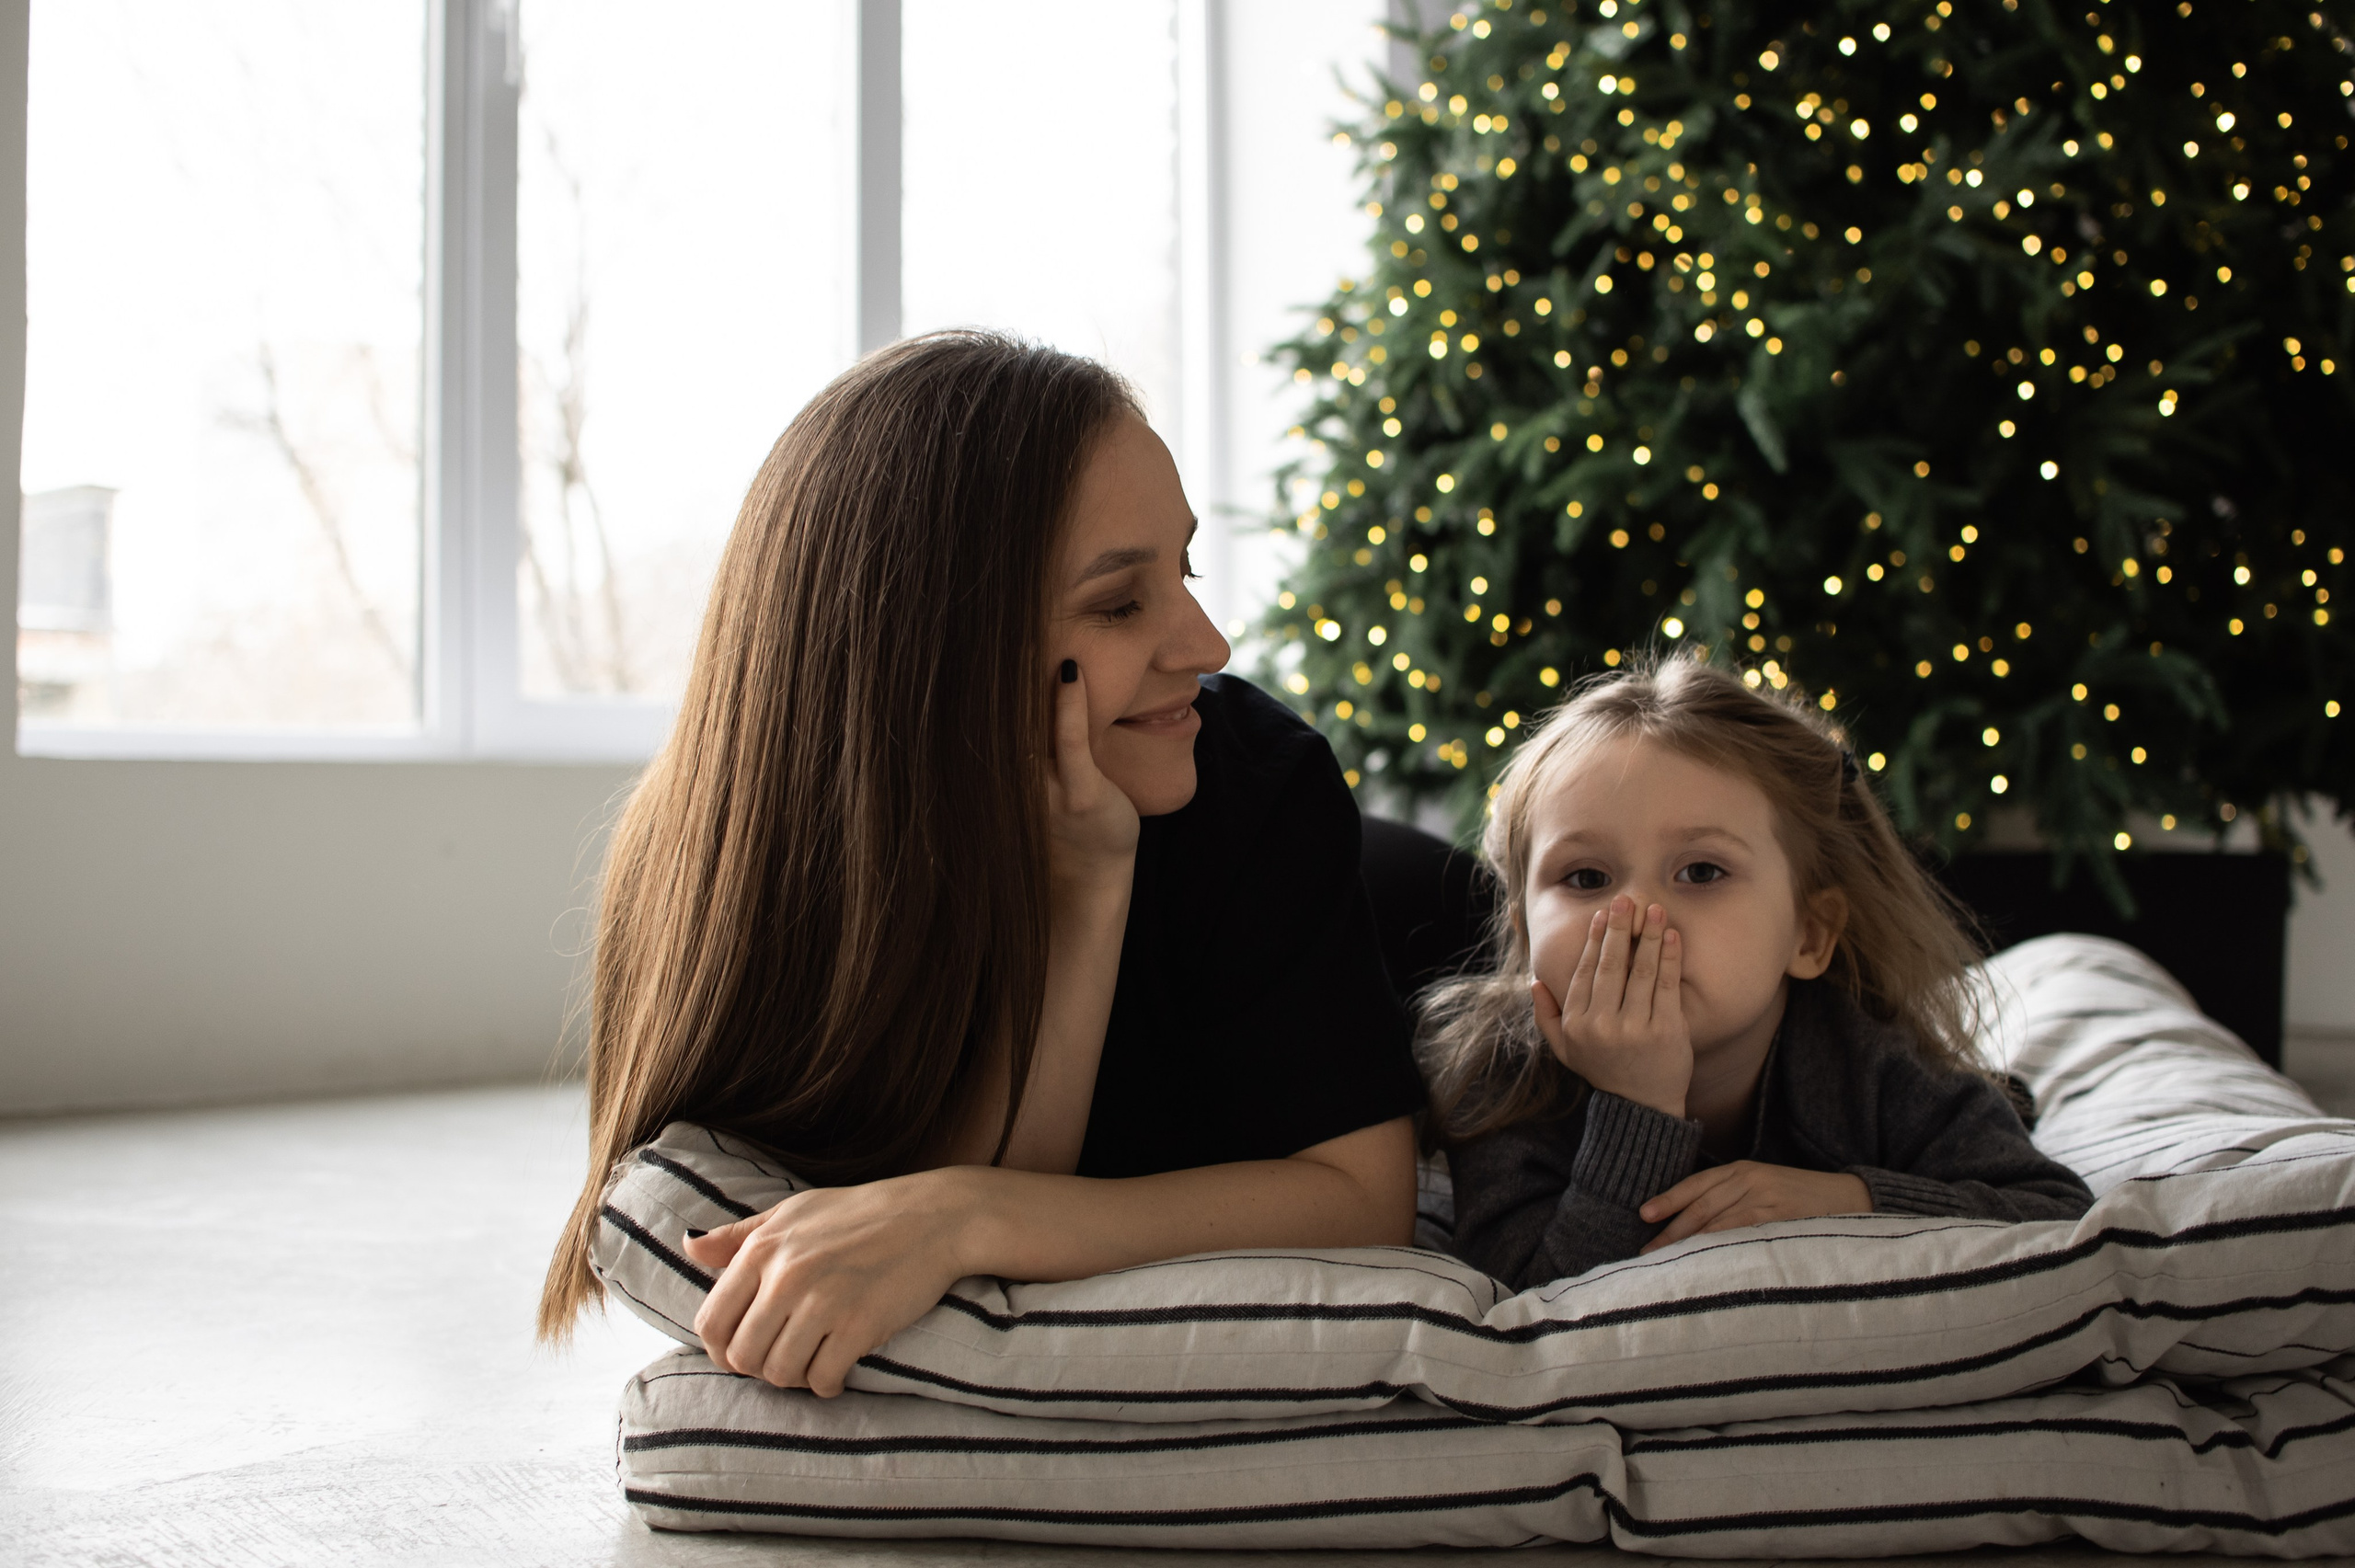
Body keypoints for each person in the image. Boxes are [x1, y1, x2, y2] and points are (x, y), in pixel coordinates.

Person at [538, 332, 1426, 1394]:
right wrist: (1083, 885)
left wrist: (962, 1212)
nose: (1205, 644)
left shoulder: (1258, 787)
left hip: (1420, 925)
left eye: (1181, 570)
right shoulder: (730, 857)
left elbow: (1367, 1205)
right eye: (1116, 603)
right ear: (933, 647)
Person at [1422, 656, 2093, 1291]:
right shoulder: (1500, 1077)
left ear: (1810, 933)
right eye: (1586, 877)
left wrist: (1853, 1199)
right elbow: (1536, 1296)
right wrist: (1639, 1109)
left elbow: (2056, 1214)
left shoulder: (1865, 1061)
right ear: (1524, 929)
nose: (1639, 915)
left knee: (1992, 1105)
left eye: (1702, 872)